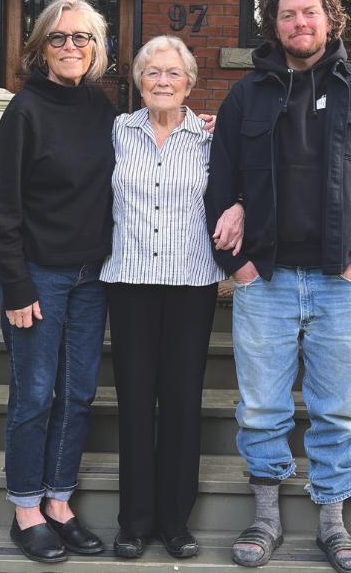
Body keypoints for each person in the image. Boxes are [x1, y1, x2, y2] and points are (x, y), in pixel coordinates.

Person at [205, 0, 351, 573]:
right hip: (263, 280)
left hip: (338, 282)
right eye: (288, 14)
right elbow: (218, 182)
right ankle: (265, 517)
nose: (300, 23)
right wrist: (236, 267)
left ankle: (332, 522)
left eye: (309, 13)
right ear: (275, 24)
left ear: (329, 19)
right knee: (262, 408)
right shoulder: (247, 96)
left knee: (338, 410)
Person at [0, 0, 114, 564]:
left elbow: (142, 152)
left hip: (93, 277)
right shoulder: (24, 111)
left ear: (96, 48)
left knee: (78, 394)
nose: (71, 47)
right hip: (40, 276)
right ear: (40, 48)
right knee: (34, 396)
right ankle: (26, 511)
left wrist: (191, 125)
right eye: (58, 38)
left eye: (81, 37)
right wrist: (16, 285)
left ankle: (59, 503)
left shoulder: (103, 109)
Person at [100, 35, 242, 560]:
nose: (162, 81)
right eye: (153, 72)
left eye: (173, 73)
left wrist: (242, 208)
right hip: (129, 280)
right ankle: (134, 522)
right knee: (135, 402)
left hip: (191, 282)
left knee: (182, 402)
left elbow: (240, 184)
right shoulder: (116, 132)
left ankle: (175, 523)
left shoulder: (210, 139)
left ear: (189, 84)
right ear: (139, 82)